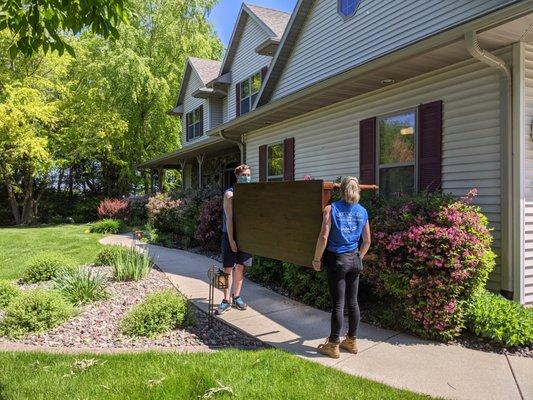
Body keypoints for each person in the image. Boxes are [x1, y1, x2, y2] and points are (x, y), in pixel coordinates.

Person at [312, 176, 371, 358]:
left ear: (341, 190)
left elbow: (323, 236)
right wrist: (359, 257)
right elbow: (367, 241)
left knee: (338, 304)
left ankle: (333, 344)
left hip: (337, 260)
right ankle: (351, 341)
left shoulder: (331, 208)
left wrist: (316, 259)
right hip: (354, 259)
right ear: (357, 190)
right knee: (353, 302)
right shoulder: (362, 211)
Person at [216, 164, 253, 315]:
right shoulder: (229, 194)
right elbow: (230, 219)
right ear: (237, 177)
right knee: (227, 268)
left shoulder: (251, 194)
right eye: (244, 175)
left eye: (249, 175)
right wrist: (231, 240)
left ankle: (236, 296)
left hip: (246, 236)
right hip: (229, 234)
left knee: (240, 267)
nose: (247, 178)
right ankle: (225, 300)